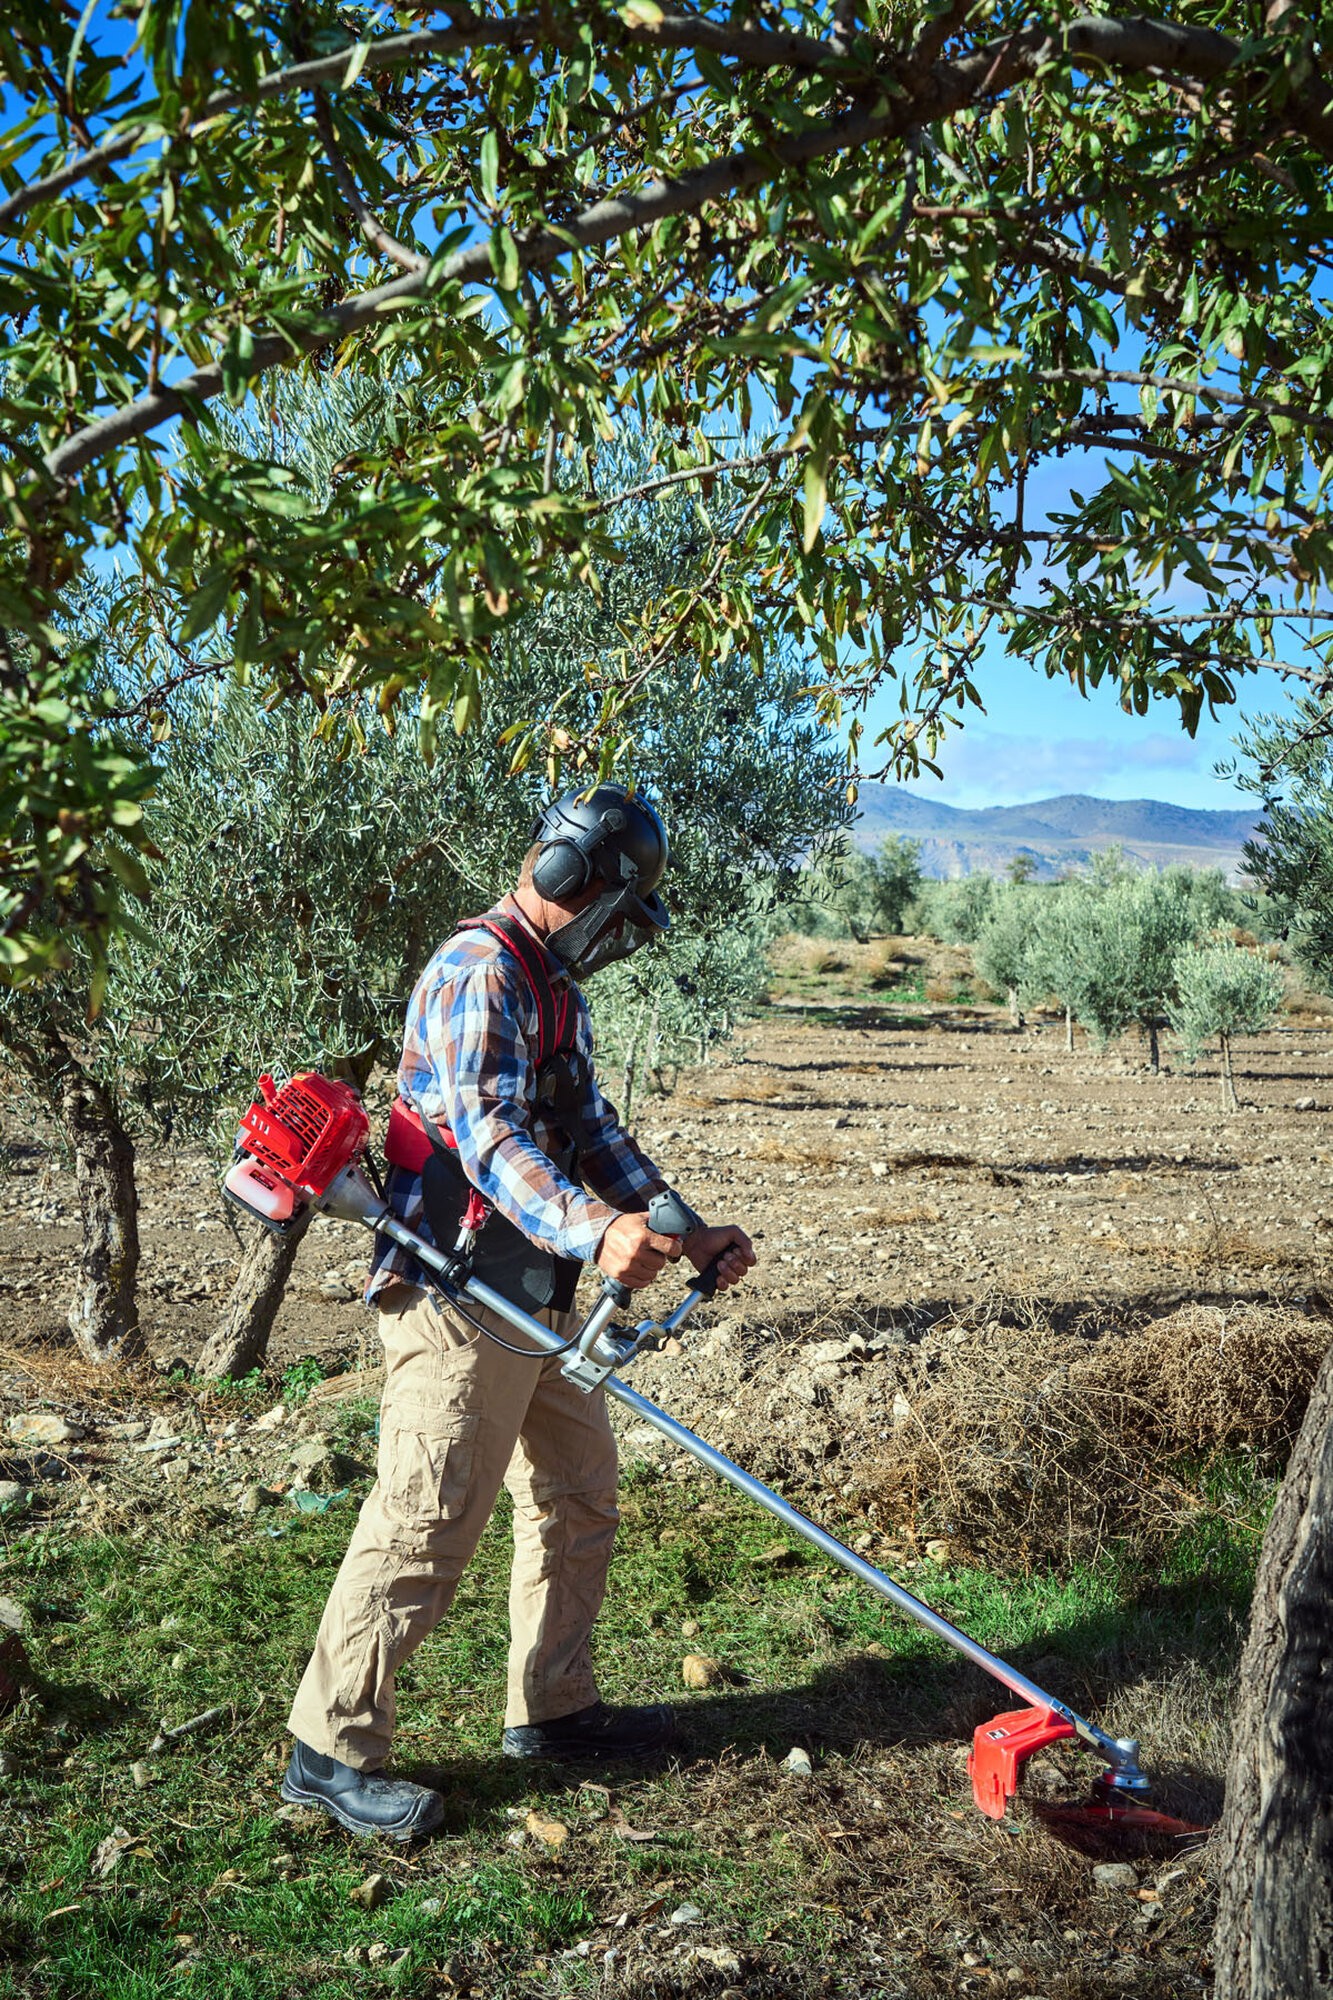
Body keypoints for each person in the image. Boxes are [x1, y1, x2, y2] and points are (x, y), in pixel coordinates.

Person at [281, 784, 756, 1839]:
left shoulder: (553, 989)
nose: (617, 936)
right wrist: (597, 1229)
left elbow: (589, 1127)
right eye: (617, 908)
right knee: (425, 1514)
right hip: (455, 1290)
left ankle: (553, 1707)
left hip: (533, 1291)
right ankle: (329, 1748)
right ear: (571, 879)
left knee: (579, 1492)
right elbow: (489, 1136)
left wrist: (681, 1223)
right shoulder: (481, 970)